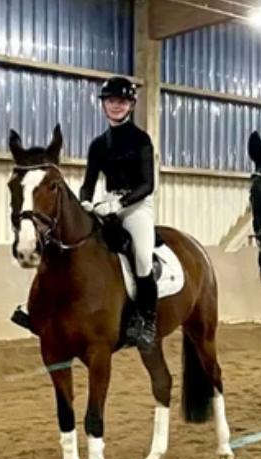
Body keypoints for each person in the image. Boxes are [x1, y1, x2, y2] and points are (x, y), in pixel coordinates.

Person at [81, 76, 159, 352]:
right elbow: (88, 183)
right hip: (107, 203)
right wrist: (85, 202)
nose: (116, 105)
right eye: (111, 100)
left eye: (122, 101)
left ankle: (147, 321)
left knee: (142, 257)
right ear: (104, 104)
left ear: (131, 105)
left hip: (137, 206)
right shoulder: (98, 144)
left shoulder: (141, 140)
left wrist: (120, 204)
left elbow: (148, 184)